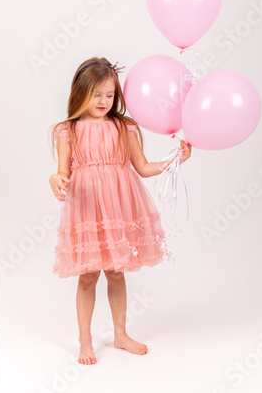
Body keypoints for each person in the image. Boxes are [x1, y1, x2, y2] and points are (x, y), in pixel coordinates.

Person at [48, 57, 192, 365]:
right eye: (96, 94)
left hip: (118, 206)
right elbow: (62, 171)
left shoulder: (123, 126)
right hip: (86, 206)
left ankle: (120, 333)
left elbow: (142, 167)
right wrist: (54, 178)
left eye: (110, 95)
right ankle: (84, 340)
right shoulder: (67, 130)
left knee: (116, 272)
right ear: (80, 93)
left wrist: (175, 160)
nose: (103, 101)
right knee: (87, 276)